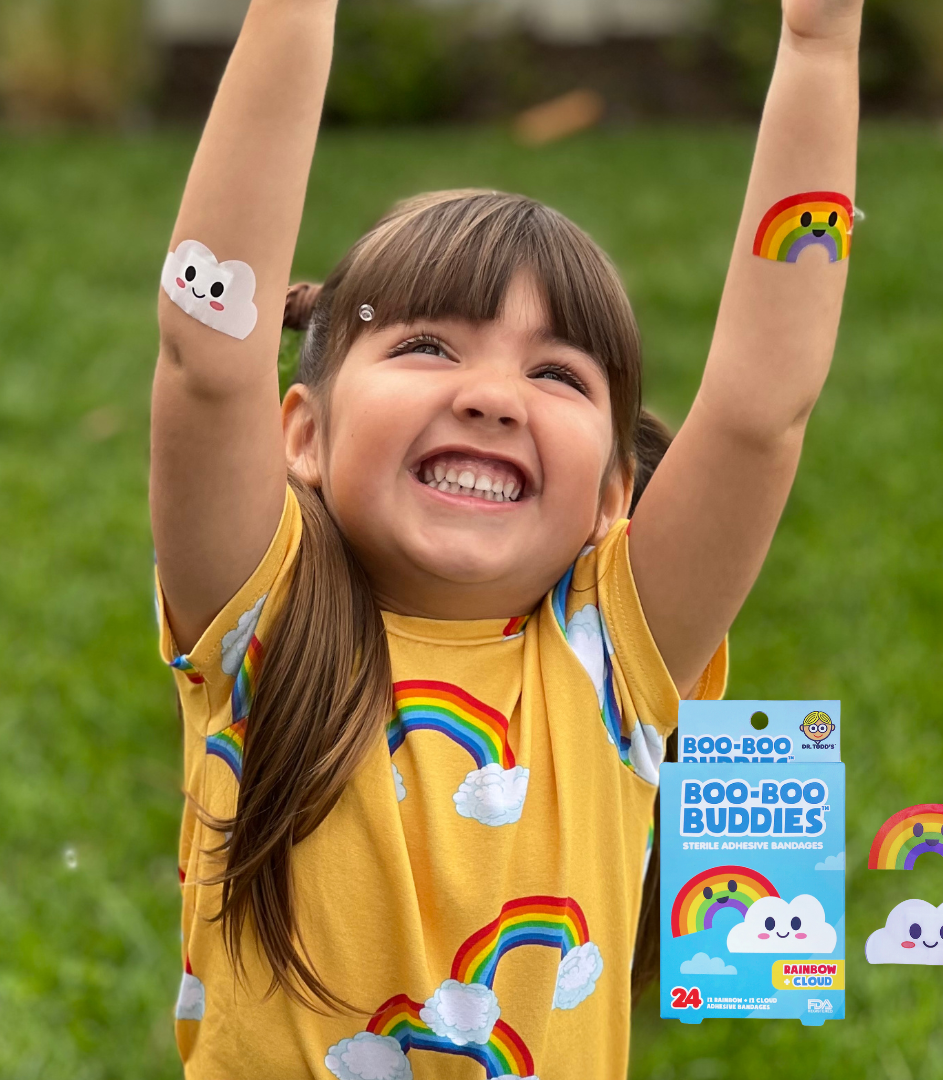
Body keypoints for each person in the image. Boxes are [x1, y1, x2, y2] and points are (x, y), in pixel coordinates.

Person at [150, 0, 864, 1075]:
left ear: (616, 493)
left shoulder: (618, 658)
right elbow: (209, 356)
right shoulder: (258, 617)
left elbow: (763, 407)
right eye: (428, 346)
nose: (491, 396)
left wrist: (820, 47)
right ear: (300, 432)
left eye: (556, 375)